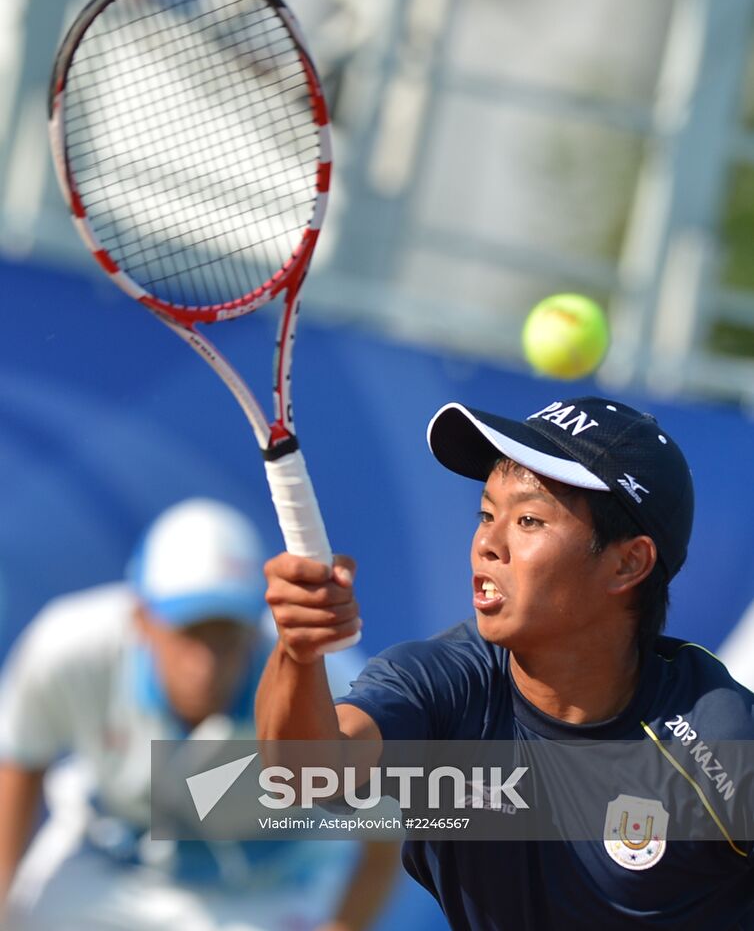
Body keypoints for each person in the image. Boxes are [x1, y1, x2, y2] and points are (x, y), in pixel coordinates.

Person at [256, 396, 754, 930]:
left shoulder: (720, 739)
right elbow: (304, 774)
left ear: (628, 563)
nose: (487, 544)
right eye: (487, 514)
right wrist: (297, 650)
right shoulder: (442, 682)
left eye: (529, 520)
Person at [0, 497, 399, 931]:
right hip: (104, 862)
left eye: (225, 634)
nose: (206, 663)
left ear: (255, 628)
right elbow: (20, 763)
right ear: (142, 618)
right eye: (189, 631)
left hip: (269, 886)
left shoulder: (336, 691)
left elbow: (385, 841)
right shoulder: (68, 648)